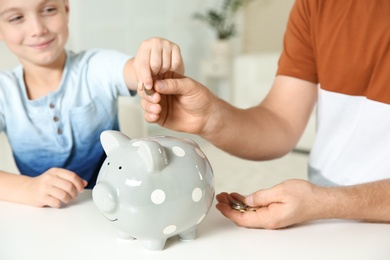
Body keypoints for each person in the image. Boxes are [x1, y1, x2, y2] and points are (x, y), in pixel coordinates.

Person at [139, 0, 390, 229]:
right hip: (320, 213)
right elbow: (280, 121)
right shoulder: (316, 5)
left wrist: (327, 202)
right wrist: (211, 118)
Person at [0, 0, 184, 208]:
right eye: (16, 18)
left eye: (49, 10)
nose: (37, 29)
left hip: (120, 207)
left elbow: (150, 76)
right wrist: (28, 188)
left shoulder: (96, 67)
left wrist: (157, 58)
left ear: (66, 10)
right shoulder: (4, 91)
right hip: (46, 219)